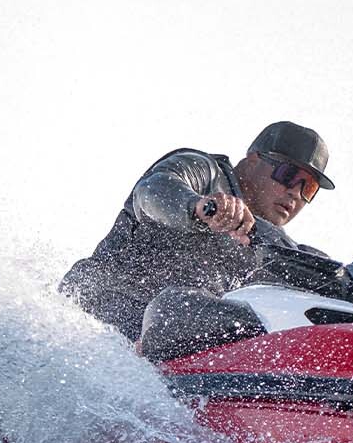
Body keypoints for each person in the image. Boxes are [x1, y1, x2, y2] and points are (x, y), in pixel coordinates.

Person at [59, 121, 336, 341]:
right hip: (89, 319)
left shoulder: (270, 244)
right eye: (289, 176)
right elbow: (152, 191)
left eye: (308, 188)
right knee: (176, 309)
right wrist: (198, 207)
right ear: (252, 160)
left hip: (158, 350)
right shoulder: (205, 173)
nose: (295, 194)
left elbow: (314, 271)